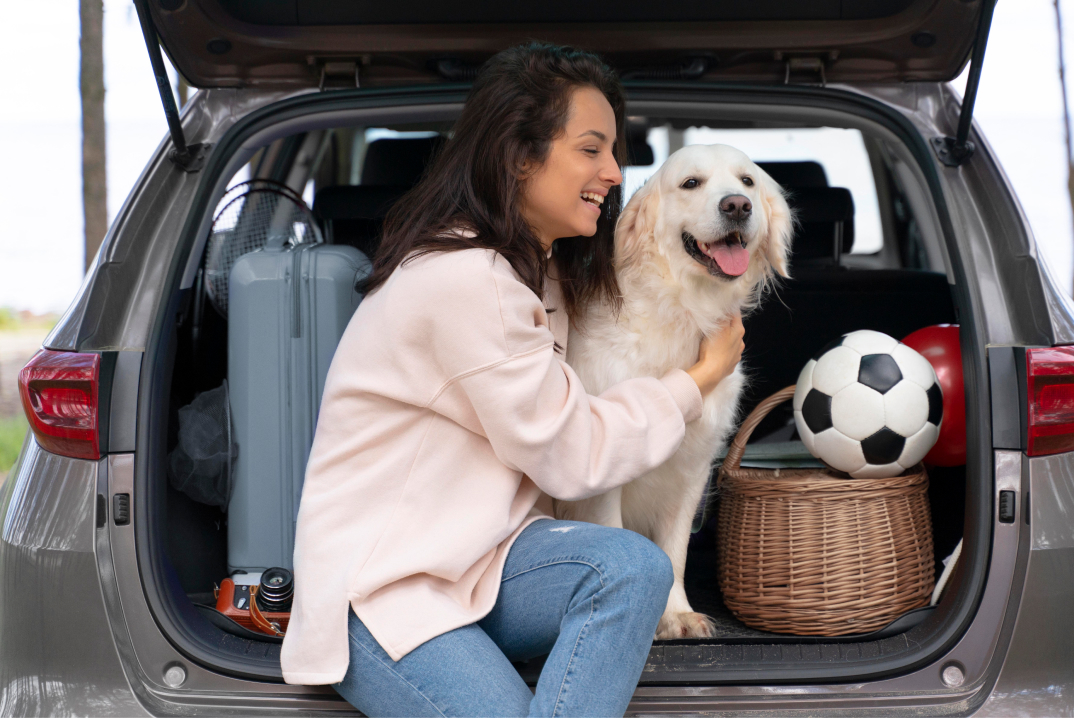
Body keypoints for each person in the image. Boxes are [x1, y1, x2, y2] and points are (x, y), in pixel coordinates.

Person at [280, 42, 745, 717]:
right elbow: (572, 454)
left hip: (481, 563)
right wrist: (699, 377)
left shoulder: (538, 268)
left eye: (615, 151)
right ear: (521, 156)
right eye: (592, 149)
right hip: (386, 593)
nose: (615, 172)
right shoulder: (466, 280)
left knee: (632, 567)